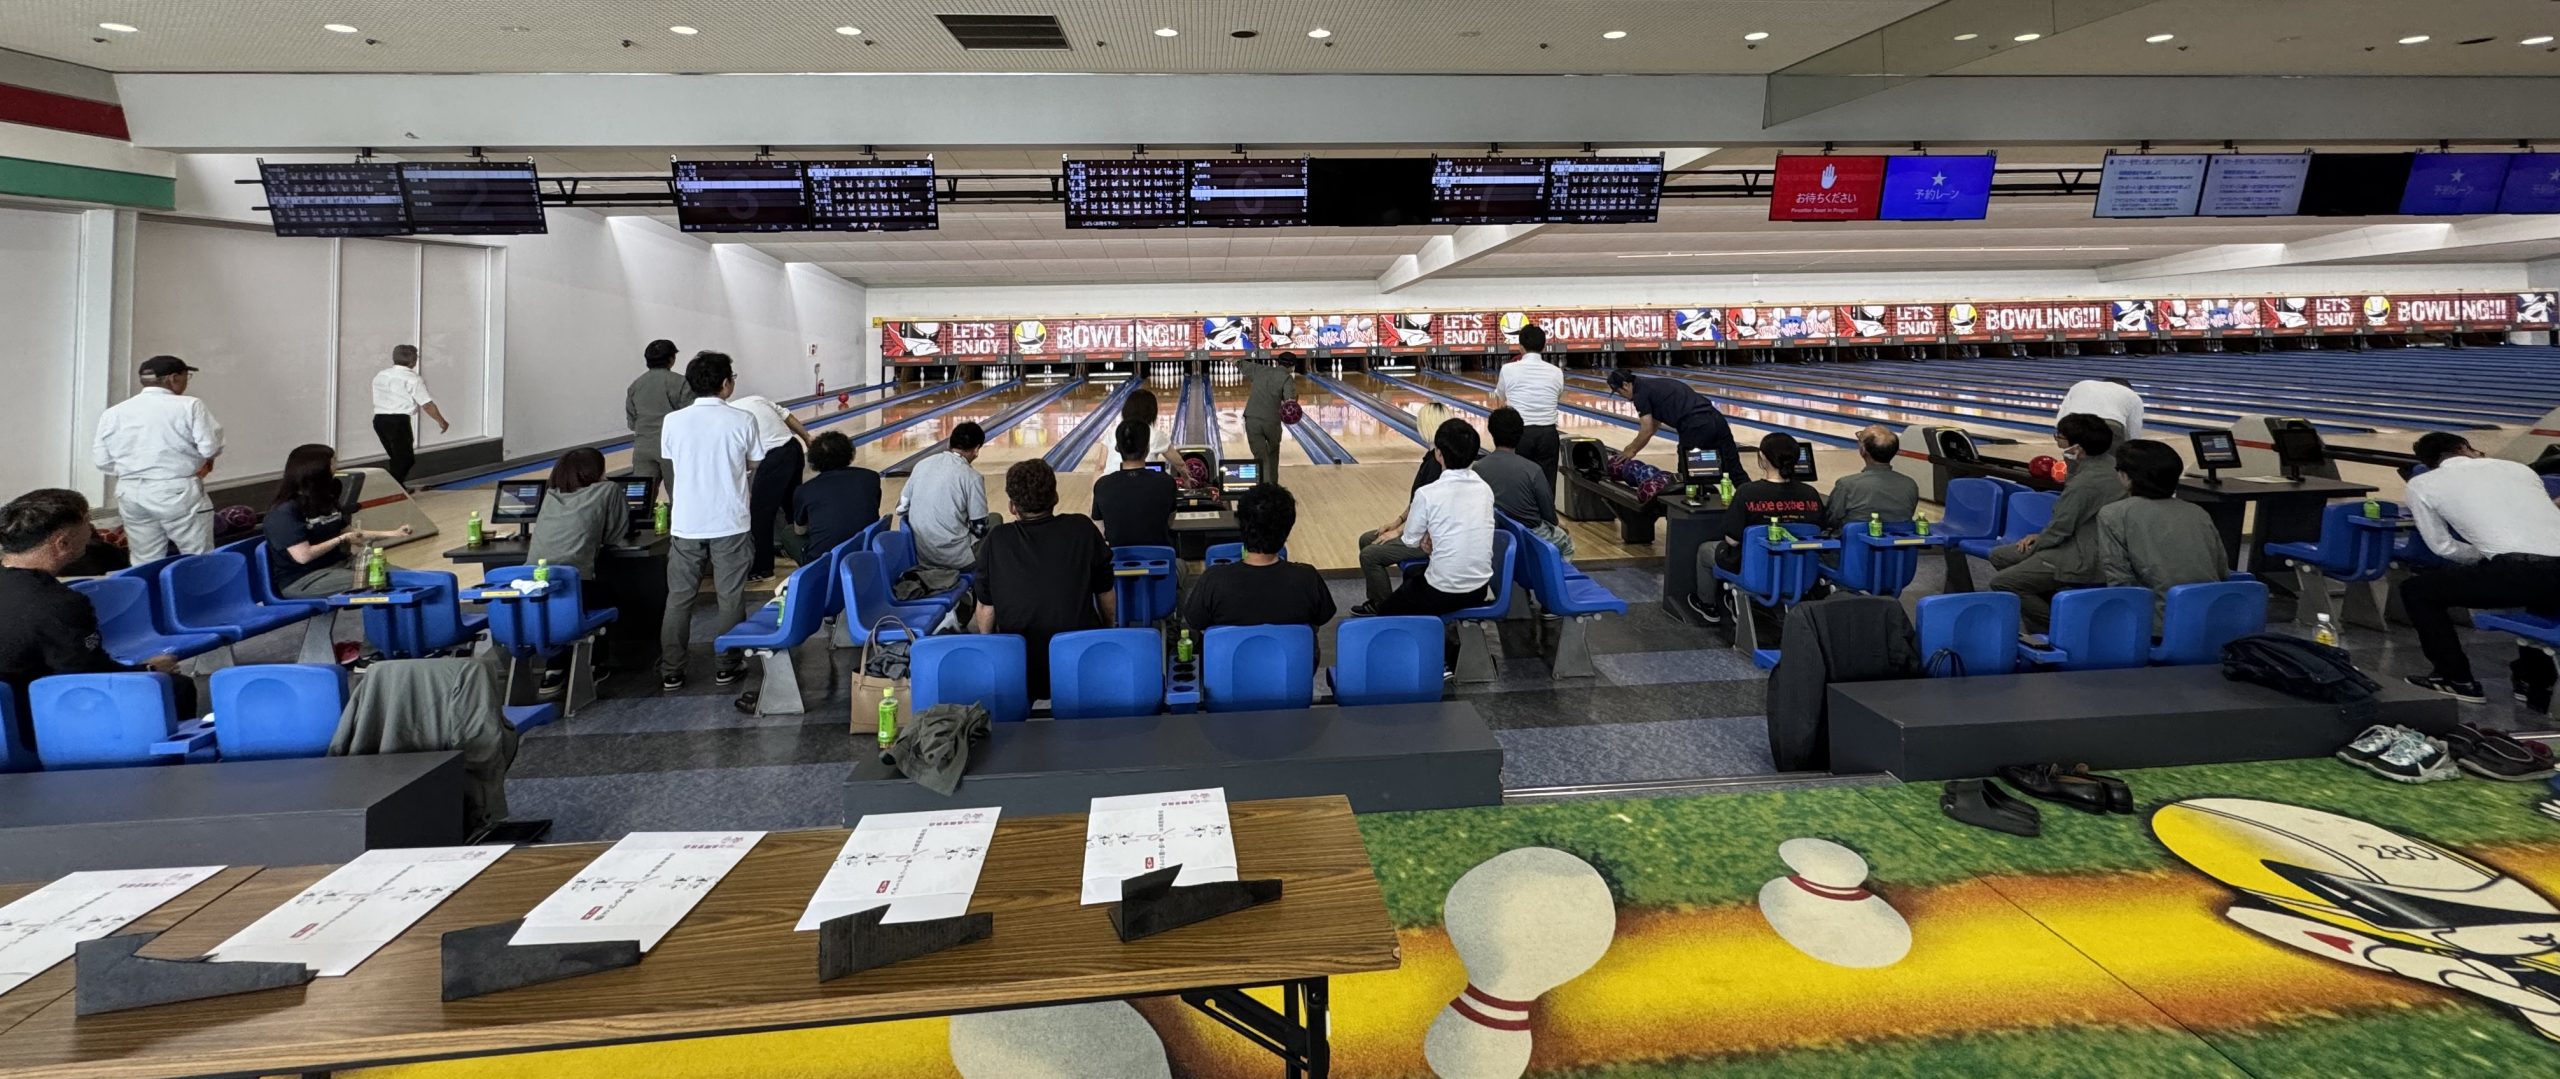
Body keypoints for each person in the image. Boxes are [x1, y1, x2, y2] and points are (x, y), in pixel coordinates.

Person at [0, 488, 199, 736]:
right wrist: (149, 669)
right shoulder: (59, 604)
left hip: (8, 715)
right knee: (176, 687)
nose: (92, 529)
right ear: (63, 543)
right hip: (31, 720)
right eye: (87, 521)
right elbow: (89, 679)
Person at [2398, 432, 2560, 706]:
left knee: (2416, 591)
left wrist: (2486, 555)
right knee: (2540, 595)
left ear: (2427, 462)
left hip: (2520, 571)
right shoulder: (2519, 470)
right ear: (2464, 448)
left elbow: (2443, 547)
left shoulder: (2422, 484)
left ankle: (2456, 678)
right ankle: (2533, 680)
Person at [656, 351, 763, 691]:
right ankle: (727, 666)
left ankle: (672, 670)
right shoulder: (743, 419)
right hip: (730, 521)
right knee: (729, 596)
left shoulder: (673, 421)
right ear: (726, 383)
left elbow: (672, 459)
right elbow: (754, 462)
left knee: (679, 598)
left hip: (686, 522)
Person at [971, 460, 1113, 702]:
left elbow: (986, 607)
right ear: (1055, 497)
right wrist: (1108, 632)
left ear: (1012, 506)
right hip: (1081, 660)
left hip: (1021, 668)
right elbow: (1105, 593)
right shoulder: (1082, 528)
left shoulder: (997, 540)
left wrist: (992, 651)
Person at [1988, 413, 2125, 633]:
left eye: (2059, 437)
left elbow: (2061, 528)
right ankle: (2057, 607)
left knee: (2003, 582)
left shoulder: (2085, 483)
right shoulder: (2114, 466)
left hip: (2084, 557)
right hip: (2102, 546)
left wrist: (2039, 544)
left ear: (2077, 448)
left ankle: (2063, 629)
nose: (2057, 441)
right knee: (2001, 555)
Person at [93, 355, 222, 560]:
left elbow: (102, 461)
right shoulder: (190, 405)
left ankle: (148, 582)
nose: (187, 381)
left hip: (130, 491)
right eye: (186, 376)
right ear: (173, 378)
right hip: (177, 490)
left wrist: (137, 470)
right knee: (198, 557)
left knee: (145, 558)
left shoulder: (113, 413)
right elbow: (209, 448)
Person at [2095, 439, 2230, 631]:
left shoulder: (2113, 514)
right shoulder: (2197, 512)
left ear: (2125, 476)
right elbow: (2222, 572)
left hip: (2157, 626)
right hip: (2212, 621)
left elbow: (2121, 583)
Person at [1380, 418, 1499, 629]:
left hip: (1442, 590)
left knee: (1385, 612)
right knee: (1413, 574)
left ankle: (1425, 643)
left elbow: (1410, 541)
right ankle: (1437, 634)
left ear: (1438, 454)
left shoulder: (1427, 494)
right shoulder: (1485, 489)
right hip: (1479, 588)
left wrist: (1427, 540)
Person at [265, 444, 412, 598]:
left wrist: (393, 533)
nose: (336, 467)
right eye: (333, 463)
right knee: (377, 580)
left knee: (405, 577)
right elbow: (303, 556)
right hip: (305, 579)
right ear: (318, 470)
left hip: (340, 565)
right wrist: (340, 539)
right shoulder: (284, 512)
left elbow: (352, 535)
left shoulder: (323, 500)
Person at [1183, 484, 1336, 630]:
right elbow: (1320, 620)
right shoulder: (1307, 578)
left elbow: (1195, 622)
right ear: (1288, 528)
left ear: (1240, 525)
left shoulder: (1213, 580)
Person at [1351, 403, 1453, 614]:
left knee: (1370, 555)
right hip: (1419, 530)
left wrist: (1398, 532)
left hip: (1428, 538)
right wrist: (1396, 522)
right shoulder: (1432, 457)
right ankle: (1377, 600)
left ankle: (1386, 609)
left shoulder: (1437, 464)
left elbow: (1426, 512)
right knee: (1366, 539)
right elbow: (1417, 501)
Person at [726, 390, 814, 582]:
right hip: (793, 448)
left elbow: (741, 459)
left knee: (760, 515)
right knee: (792, 508)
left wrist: (745, 488)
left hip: (773, 459)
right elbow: (787, 416)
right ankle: (800, 551)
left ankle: (762, 569)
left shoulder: (727, 419)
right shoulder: (755, 399)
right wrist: (807, 437)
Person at [1604, 369, 1746, 483]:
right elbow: (1654, 424)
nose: (1620, 395)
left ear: (1626, 385)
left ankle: (1695, 507)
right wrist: (1632, 447)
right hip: (1717, 419)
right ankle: (1753, 504)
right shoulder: (1651, 385)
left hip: (1695, 425)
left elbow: (1647, 429)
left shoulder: (1640, 394)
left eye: (1619, 391)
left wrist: (1631, 450)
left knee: (1686, 474)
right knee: (1734, 470)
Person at [1477, 407, 1575, 557]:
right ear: (1521, 433)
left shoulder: (1478, 468)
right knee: (1566, 544)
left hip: (1497, 532)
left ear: (1491, 432)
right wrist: (1557, 523)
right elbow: (1548, 514)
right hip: (1530, 534)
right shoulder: (1533, 470)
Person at [898, 421, 992, 572]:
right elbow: (980, 529)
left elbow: (901, 508)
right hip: (957, 560)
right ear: (976, 450)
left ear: (949, 443)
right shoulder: (972, 477)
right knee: (996, 522)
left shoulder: (921, 464)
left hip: (921, 556)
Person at [526, 448, 625, 589]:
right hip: (576, 581)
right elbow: (613, 537)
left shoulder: (551, 494)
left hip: (532, 578)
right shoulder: (609, 489)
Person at [1490, 325, 1565, 489]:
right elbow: (1557, 397)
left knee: (1519, 484)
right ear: (1544, 347)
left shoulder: (1507, 369)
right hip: (1548, 434)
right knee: (1546, 485)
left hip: (1520, 434)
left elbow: (1500, 399)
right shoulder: (1557, 372)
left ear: (1520, 347)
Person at [792, 432, 881, 559]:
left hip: (826, 562)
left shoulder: (804, 490)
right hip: (868, 552)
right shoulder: (871, 477)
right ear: (850, 453)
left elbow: (800, 531)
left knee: (788, 533)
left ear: (813, 459)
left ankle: (806, 568)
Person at [370, 344, 449, 487]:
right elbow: (426, 404)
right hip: (398, 421)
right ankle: (391, 488)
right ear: (413, 361)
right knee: (406, 459)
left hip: (379, 419)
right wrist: (441, 421)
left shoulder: (381, 375)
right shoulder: (412, 379)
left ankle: (398, 488)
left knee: (396, 457)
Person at [1092, 420, 1179, 548]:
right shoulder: (1166, 482)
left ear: (1117, 448)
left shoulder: (1102, 485)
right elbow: (1170, 522)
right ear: (1147, 449)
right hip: (1159, 557)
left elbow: (1100, 529)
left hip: (1118, 558)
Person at [1820, 425, 1920, 533]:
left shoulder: (1846, 485)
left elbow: (1831, 520)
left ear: (1863, 450)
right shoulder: (1910, 485)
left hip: (1854, 542)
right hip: (1897, 543)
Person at [625, 339, 691, 490]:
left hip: (642, 447)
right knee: (677, 494)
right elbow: (689, 416)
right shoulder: (680, 382)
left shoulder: (635, 385)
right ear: (671, 359)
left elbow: (632, 422)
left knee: (640, 497)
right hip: (672, 447)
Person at [1242, 351, 1299, 485]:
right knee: (1273, 453)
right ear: (1293, 366)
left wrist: (1233, 361)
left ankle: (1262, 485)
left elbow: (1241, 364)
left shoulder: (1260, 369)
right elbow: (1290, 403)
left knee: (1259, 456)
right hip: (1271, 421)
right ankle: (1271, 486)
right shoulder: (1287, 378)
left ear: (1277, 362)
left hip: (1252, 418)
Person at [2057, 377, 2144, 442]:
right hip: (2109, 426)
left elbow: (2061, 417)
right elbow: (2133, 433)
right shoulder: (2133, 395)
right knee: (2108, 458)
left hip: (2073, 423)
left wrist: (2062, 437)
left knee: (2073, 457)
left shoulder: (2082, 384)